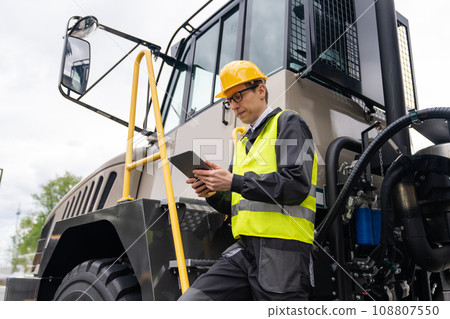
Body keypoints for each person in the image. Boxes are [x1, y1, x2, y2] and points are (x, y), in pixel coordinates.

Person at [179, 60, 317, 301]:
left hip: (282, 251)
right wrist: (212, 191)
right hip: (244, 252)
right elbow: (236, 203)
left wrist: (233, 182)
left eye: (238, 96)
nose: (233, 106)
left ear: (260, 90)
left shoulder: (288, 123)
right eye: (229, 100)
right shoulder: (243, 142)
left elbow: (296, 185)